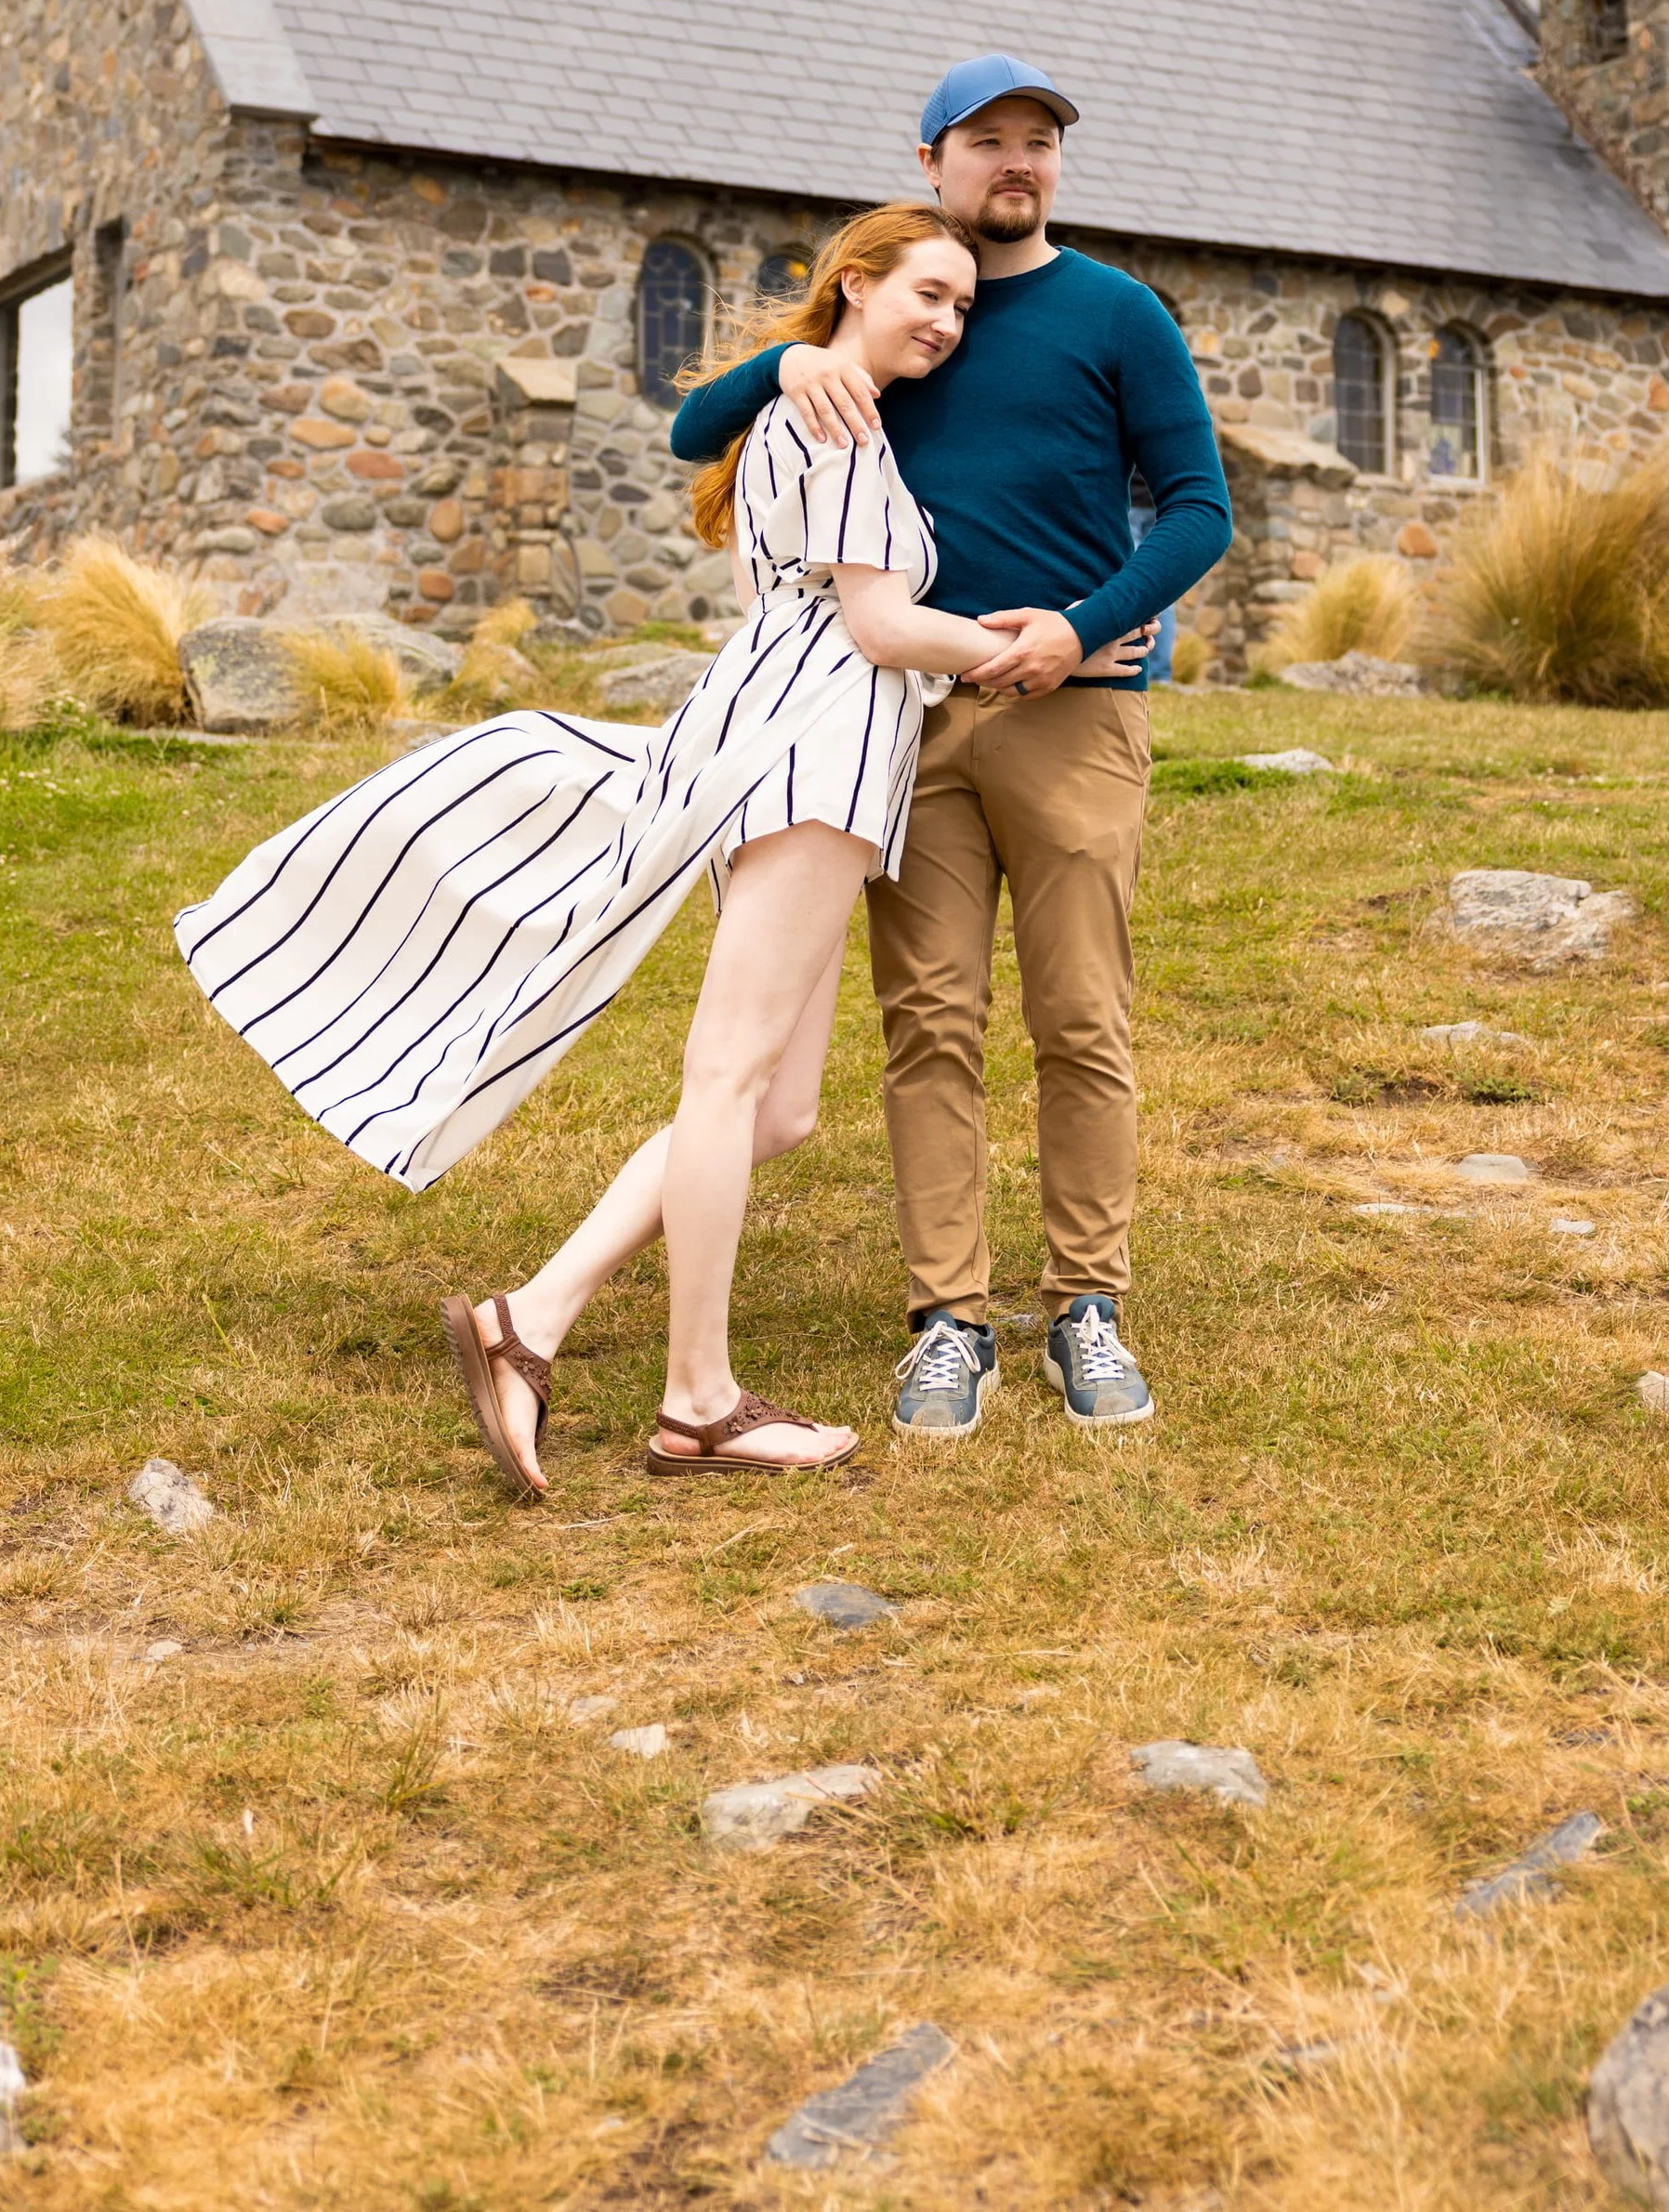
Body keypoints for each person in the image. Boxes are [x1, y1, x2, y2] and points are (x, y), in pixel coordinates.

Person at [176, 202, 1110, 1494]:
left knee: (775, 1105)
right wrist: (1044, 641)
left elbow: (796, 608)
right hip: (816, 755)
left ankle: (532, 1318)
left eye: (965, 305)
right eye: (928, 295)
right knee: (729, 1080)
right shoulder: (837, 415)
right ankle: (700, 1401)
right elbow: (882, 626)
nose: (950, 322)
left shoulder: (810, 407)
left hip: (788, 744)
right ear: (854, 285)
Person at [672, 55, 1233, 1439]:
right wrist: (789, 356)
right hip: (901, 724)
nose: (1018, 162)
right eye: (990, 141)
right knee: (927, 1022)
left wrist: (1094, 624)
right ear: (932, 162)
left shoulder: (1118, 314)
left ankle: (1087, 1304)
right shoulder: (910, 316)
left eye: (1040, 142)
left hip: (1076, 714)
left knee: (1081, 1016)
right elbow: (695, 430)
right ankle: (949, 1318)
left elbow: (1199, 510)